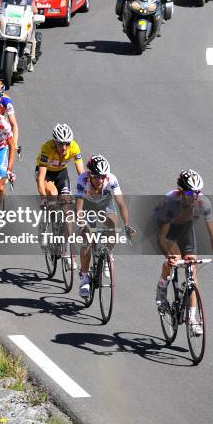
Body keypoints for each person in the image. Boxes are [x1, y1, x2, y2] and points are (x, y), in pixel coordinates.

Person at [155, 169, 213, 336]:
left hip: (185, 230)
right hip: (167, 230)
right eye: (189, 192)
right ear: (180, 190)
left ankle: (192, 319)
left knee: (191, 269)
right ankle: (161, 290)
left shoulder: (204, 203)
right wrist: (168, 256)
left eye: (197, 192)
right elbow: (161, 237)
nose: (194, 196)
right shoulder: (171, 202)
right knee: (175, 259)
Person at [76, 155, 132, 298]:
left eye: (103, 176)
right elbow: (79, 208)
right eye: (96, 177)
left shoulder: (111, 179)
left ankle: (109, 255)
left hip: (105, 204)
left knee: (114, 225)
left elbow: (121, 204)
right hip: (87, 206)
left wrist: (127, 225)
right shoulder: (82, 179)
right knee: (87, 240)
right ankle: (84, 277)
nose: (100, 180)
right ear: (90, 174)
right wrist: (82, 224)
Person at [36, 123, 84, 269]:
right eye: (61, 144)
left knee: (67, 211)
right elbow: (41, 177)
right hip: (46, 174)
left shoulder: (74, 147)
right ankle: (45, 226)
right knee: (53, 194)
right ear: (55, 142)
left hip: (61, 174)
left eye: (66, 144)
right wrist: (43, 198)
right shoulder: (47, 148)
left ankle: (65, 250)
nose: (64, 148)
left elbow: (81, 174)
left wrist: (86, 191)